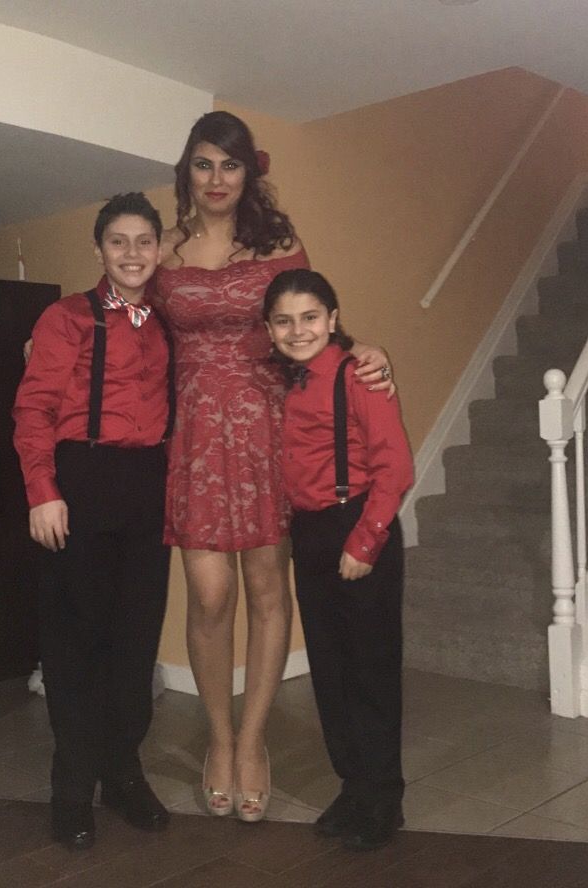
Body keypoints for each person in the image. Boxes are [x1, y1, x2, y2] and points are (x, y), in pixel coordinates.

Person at [152, 110, 394, 821]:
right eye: (203, 164)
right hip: (194, 437)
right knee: (207, 597)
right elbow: (117, 311)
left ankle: (251, 741)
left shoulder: (279, 243)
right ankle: (216, 737)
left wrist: (365, 355)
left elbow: (311, 322)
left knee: (264, 589)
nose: (217, 178)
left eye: (230, 165)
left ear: (247, 174)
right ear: (186, 173)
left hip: (267, 431)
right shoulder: (165, 251)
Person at [13, 193, 173, 850]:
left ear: (159, 249)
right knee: (75, 643)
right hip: (79, 479)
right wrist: (42, 490)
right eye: (118, 241)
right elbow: (33, 409)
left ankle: (122, 772)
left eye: (143, 241)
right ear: (100, 249)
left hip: (147, 485)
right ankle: (71, 786)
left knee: (134, 641)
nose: (132, 253)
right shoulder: (64, 319)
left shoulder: (169, 323)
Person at [262, 267, 413, 851]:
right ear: (270, 329)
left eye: (309, 317)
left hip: (358, 526)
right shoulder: (285, 382)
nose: (297, 330)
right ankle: (353, 786)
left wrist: (365, 542)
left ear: (332, 318)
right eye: (284, 320)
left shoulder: (359, 376)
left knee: (371, 670)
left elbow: (395, 469)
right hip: (311, 533)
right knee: (330, 668)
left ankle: (383, 798)